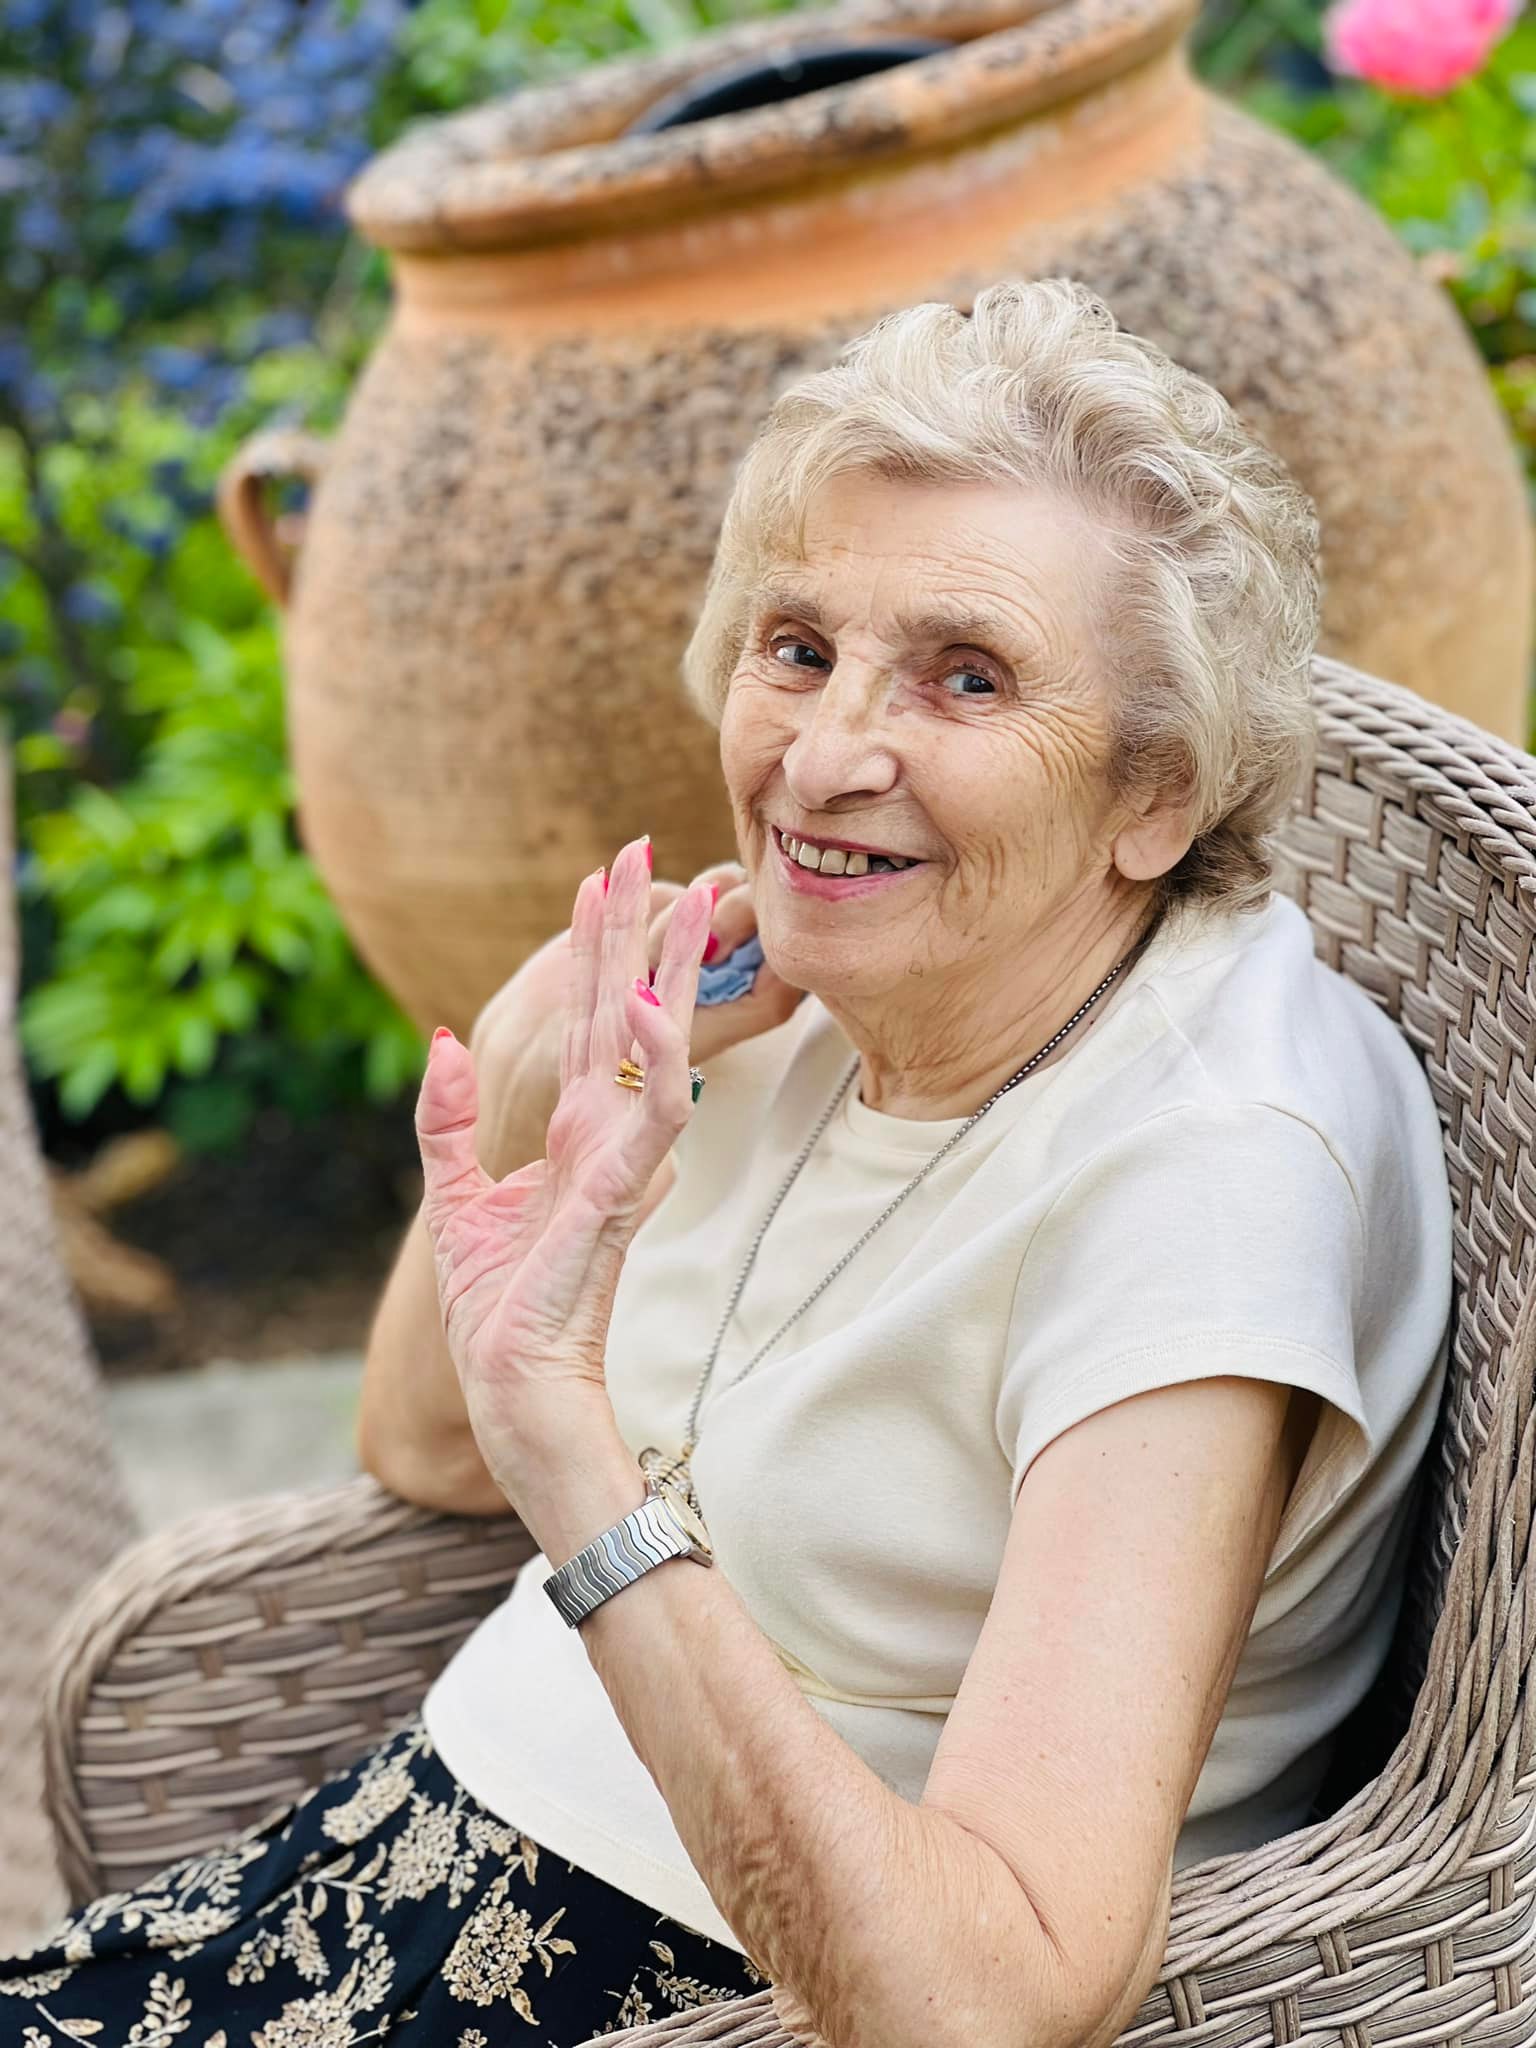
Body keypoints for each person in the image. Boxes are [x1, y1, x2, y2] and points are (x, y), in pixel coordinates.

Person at [0, 279, 1452, 2048]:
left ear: (1155, 797)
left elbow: (986, 2000)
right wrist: (541, 1052)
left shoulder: (1210, 1178)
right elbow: (426, 1448)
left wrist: (582, 1471)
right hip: (390, 1862)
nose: (826, 759)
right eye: (797, 647)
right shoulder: (822, 982)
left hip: (675, 1986)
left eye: (967, 676)